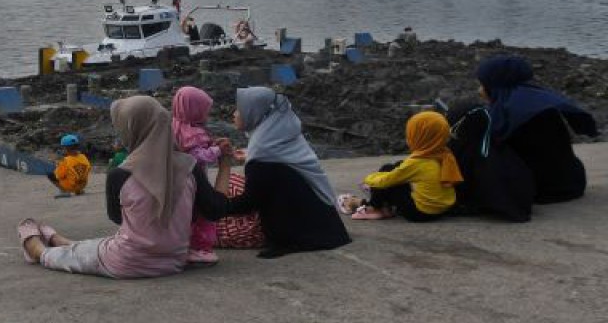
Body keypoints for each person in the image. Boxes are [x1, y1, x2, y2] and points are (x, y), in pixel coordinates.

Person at [17, 95, 221, 279]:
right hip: (173, 261)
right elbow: (208, 210)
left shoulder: (120, 174)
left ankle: (38, 249)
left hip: (127, 263)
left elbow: (117, 217)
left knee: (74, 257)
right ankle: (62, 240)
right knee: (99, 245)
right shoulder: (189, 167)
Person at [195, 87, 351, 259]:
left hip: (304, 234)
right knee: (231, 185)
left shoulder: (263, 155)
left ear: (255, 114)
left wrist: (215, 207)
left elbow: (249, 202)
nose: (234, 113)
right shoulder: (280, 139)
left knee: (212, 222)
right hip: (324, 225)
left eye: (240, 109)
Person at [475, 55, 597, 203]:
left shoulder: (508, 114)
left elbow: (489, 149)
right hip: (571, 184)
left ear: (495, 86)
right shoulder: (537, 102)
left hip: (538, 190)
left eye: (483, 85)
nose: (479, 90)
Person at [339, 112, 461, 222]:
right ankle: (380, 200)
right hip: (443, 209)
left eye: (411, 134)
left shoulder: (418, 162)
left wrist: (369, 179)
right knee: (398, 167)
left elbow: (386, 181)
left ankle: (373, 207)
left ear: (420, 137)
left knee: (387, 172)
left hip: (420, 213)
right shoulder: (444, 154)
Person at [172, 86, 222, 265]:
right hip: (196, 181)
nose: (206, 115)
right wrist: (217, 150)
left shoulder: (174, 126)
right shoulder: (193, 132)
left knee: (185, 215)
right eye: (204, 111)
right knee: (202, 216)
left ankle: (184, 246)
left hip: (179, 180)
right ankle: (200, 249)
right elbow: (196, 156)